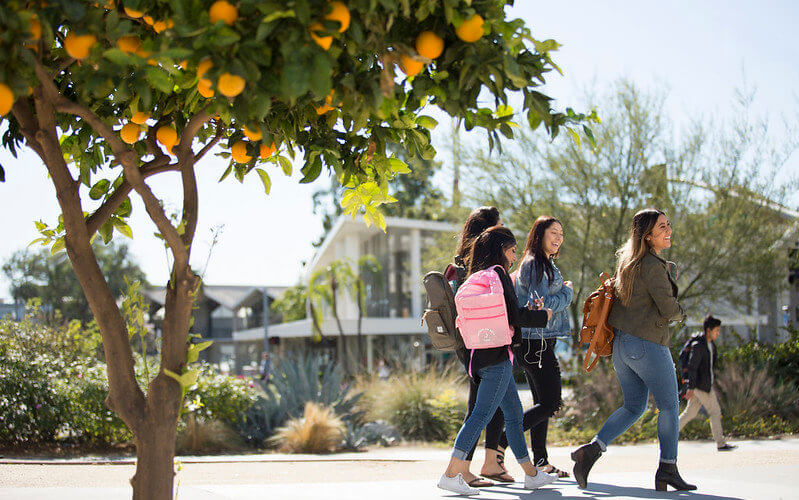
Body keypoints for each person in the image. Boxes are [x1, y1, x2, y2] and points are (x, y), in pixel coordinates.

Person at [571, 209, 696, 492]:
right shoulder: (652, 265)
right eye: (662, 227)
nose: (668, 230)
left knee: (634, 406)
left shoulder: (627, 263)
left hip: (622, 348)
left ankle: (590, 451)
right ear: (647, 236)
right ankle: (667, 468)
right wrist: (680, 310)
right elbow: (668, 309)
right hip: (647, 344)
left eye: (668, 225)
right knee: (669, 406)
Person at [438, 226, 556, 495]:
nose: (514, 257)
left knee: (514, 416)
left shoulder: (477, 276)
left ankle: (531, 474)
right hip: (499, 358)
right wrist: (543, 315)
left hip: (479, 355)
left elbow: (504, 314)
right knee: (480, 415)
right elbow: (513, 316)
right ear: (501, 250)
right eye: (513, 251)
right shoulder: (499, 274)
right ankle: (449, 474)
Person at [496, 216, 572, 478]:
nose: (559, 237)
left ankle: (541, 461)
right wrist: (568, 293)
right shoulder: (535, 264)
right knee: (552, 402)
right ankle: (500, 445)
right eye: (554, 232)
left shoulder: (542, 263)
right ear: (539, 235)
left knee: (542, 402)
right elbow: (540, 304)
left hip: (538, 340)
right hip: (534, 340)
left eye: (561, 233)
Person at [443, 206, 510, 486]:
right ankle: (470, 467)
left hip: (466, 342)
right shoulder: (483, 265)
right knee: (484, 406)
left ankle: (480, 464)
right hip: (485, 340)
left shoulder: (459, 263)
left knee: (486, 403)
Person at [678, 315, 736, 451]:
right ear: (708, 330)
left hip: (703, 385)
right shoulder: (698, 346)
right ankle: (720, 443)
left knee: (690, 413)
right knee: (715, 411)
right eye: (716, 330)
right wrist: (690, 387)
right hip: (700, 386)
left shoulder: (710, 345)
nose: (718, 333)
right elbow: (692, 367)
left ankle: (668, 435)